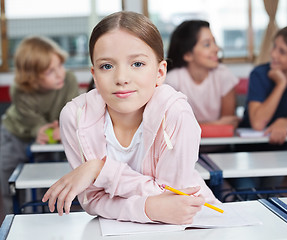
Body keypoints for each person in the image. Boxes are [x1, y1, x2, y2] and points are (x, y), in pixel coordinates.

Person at [42, 11, 219, 225]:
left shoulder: (176, 113)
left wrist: (99, 169)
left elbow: (173, 200)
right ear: (94, 75)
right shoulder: (75, 116)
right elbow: (92, 200)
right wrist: (148, 208)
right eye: (107, 66)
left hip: (194, 224)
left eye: (137, 64)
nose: (122, 79)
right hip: (114, 228)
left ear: (160, 72)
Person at [230, 23, 287, 195]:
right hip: (247, 150)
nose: (273, 54)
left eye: (282, 51)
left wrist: (283, 122)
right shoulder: (259, 74)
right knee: (247, 194)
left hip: (279, 148)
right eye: (275, 47)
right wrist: (281, 84)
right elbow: (258, 123)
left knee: (270, 194)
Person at [0, 36, 79, 213]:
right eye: (50, 71)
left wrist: (63, 128)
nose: (60, 73)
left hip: (49, 137)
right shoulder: (20, 90)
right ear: (32, 77)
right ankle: (10, 226)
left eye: (60, 65)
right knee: (9, 186)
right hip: (15, 136)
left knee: (47, 184)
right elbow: (35, 125)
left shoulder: (69, 80)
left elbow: (73, 110)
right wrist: (44, 130)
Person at [165, 20, 239, 129]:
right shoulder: (172, 80)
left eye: (214, 42)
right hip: (184, 146)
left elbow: (228, 125)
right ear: (187, 55)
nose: (216, 49)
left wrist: (192, 127)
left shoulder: (223, 75)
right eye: (207, 44)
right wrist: (216, 124)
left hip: (222, 145)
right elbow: (171, 128)